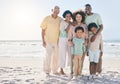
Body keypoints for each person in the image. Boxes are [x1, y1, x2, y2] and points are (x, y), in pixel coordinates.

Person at [40, 6, 62, 77]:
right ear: (52, 10)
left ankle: (54, 71)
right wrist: (43, 41)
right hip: (48, 41)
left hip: (57, 41)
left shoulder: (60, 19)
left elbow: (66, 25)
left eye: (57, 10)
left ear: (59, 11)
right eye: (55, 10)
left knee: (56, 57)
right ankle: (47, 71)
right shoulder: (46, 18)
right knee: (48, 56)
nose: (56, 11)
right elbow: (43, 30)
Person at [68, 11, 88, 79]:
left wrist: (86, 42)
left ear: (82, 17)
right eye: (77, 17)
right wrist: (70, 41)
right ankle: (72, 73)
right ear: (75, 18)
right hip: (74, 44)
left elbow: (86, 35)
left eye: (80, 16)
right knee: (73, 60)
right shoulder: (72, 25)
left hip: (82, 44)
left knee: (81, 60)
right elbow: (70, 35)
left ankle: (79, 73)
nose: (78, 18)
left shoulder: (84, 25)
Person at [85, 4, 103, 75]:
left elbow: (101, 26)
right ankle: (92, 73)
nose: (87, 10)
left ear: (91, 8)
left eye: (88, 8)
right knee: (91, 57)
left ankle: (98, 71)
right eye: (86, 9)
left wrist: (95, 35)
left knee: (99, 55)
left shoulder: (97, 15)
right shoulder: (85, 17)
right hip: (89, 37)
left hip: (97, 35)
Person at [58, 10, 73, 75]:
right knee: (62, 54)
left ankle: (71, 69)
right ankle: (61, 69)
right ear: (65, 16)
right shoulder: (62, 22)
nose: (68, 17)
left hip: (70, 39)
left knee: (70, 54)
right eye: (67, 16)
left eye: (69, 16)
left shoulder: (71, 23)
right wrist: (70, 24)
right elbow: (65, 31)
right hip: (62, 39)